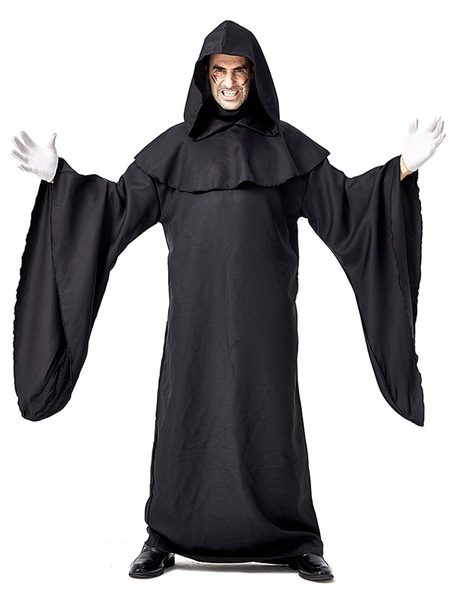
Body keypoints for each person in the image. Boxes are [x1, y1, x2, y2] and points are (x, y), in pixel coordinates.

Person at [11, 20, 445, 583]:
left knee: (271, 414)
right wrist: (61, 179)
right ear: (204, 78)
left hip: (266, 325)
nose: (231, 83)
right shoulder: (171, 152)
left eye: (240, 72)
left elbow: (348, 207)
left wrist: (401, 168)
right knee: (185, 411)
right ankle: (165, 535)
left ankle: (295, 539)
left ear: (255, 77)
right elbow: (113, 210)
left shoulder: (288, 148)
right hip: (195, 322)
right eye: (219, 72)